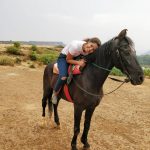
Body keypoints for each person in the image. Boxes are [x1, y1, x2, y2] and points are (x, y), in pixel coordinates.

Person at [52, 37, 101, 104]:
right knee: (63, 76)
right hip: (64, 58)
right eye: (91, 45)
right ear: (88, 42)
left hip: (76, 56)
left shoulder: (88, 50)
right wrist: (78, 63)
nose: (90, 49)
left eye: (93, 49)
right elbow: (68, 60)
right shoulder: (75, 46)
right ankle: (55, 93)